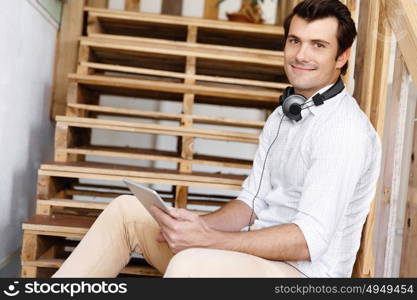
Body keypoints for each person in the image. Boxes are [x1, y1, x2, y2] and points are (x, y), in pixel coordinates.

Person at [52, 0, 381, 278]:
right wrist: (194, 225)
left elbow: (307, 241)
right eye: (295, 41)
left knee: (191, 264)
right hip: (254, 259)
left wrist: (209, 240)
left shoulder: (343, 131)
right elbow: (250, 201)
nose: (300, 55)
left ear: (342, 57)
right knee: (127, 212)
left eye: (318, 45)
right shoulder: (285, 114)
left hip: (300, 274)